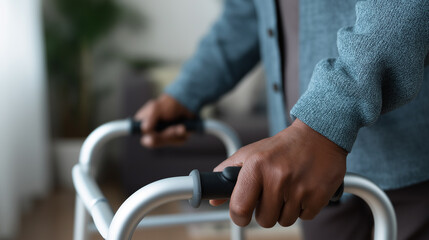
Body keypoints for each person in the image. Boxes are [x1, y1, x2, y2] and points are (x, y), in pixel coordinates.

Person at [134, 0, 429, 239]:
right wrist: (185, 94)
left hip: (409, 157)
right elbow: (247, 14)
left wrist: (321, 128)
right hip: (306, 167)